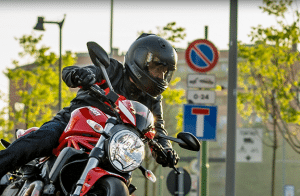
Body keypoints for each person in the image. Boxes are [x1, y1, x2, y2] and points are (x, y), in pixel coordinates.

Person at [0, 33, 179, 181]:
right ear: (142, 61)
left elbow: (158, 129)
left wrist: (167, 150)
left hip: (113, 143)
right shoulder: (112, 70)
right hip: (74, 122)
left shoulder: (153, 99)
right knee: (45, 138)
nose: (161, 76)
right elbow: (71, 72)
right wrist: (80, 74)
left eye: (165, 72)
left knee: (125, 178)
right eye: (157, 68)